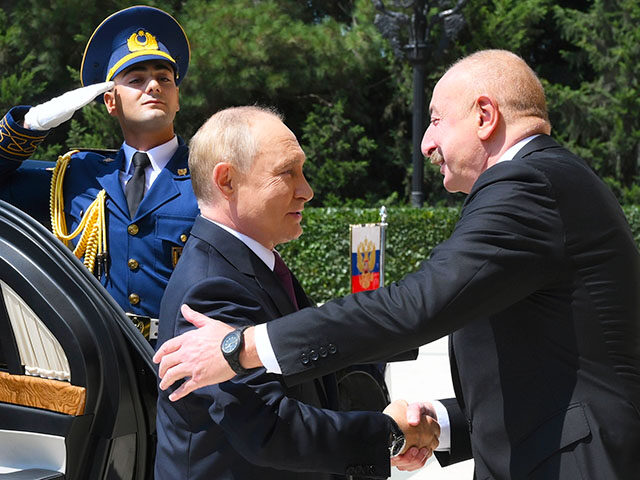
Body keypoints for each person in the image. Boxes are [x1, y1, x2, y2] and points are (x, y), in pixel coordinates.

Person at [154, 49, 640, 479]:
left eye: (434, 120)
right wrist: (427, 427)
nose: (427, 145)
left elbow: (416, 306)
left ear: (486, 116)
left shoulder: (526, 185)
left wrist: (241, 347)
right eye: (288, 173)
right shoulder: (545, 180)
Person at [154, 105, 440, 479]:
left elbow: (306, 359)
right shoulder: (212, 288)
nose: (307, 190)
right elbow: (270, 428)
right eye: (287, 173)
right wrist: (388, 435)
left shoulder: (249, 263)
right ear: (227, 181)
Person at [0, 6, 199, 341]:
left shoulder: (210, 176)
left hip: (184, 359)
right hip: (100, 361)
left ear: (177, 98)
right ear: (110, 102)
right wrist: (29, 124)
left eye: (164, 79)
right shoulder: (76, 176)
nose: (153, 86)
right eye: (136, 80)